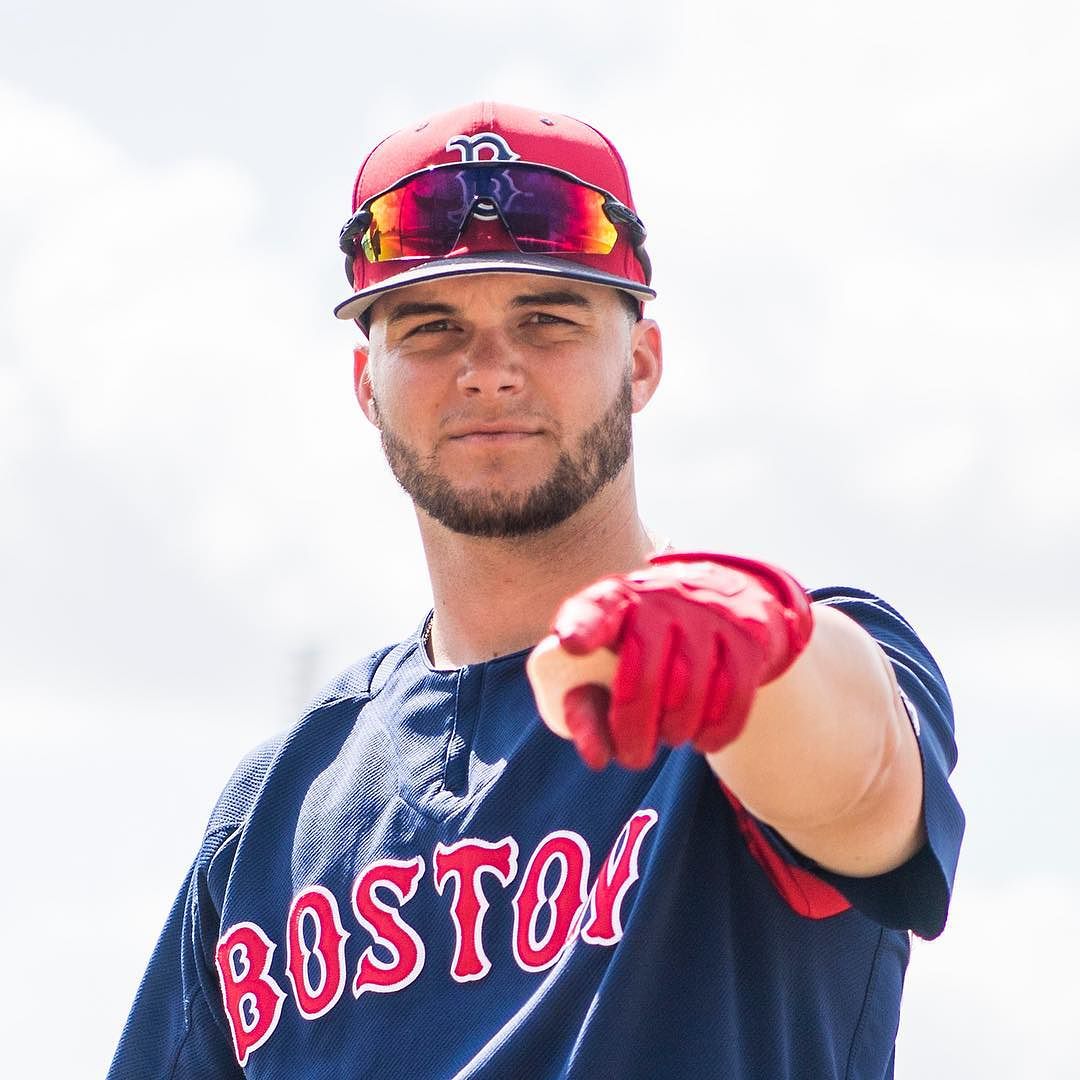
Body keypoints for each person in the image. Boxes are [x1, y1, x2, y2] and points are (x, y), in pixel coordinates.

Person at [109, 101, 964, 1079]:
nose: (488, 371)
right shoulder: (277, 807)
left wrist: (766, 661)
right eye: (430, 327)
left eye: (546, 319)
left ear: (640, 361)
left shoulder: (783, 663)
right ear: (366, 385)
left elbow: (864, 782)